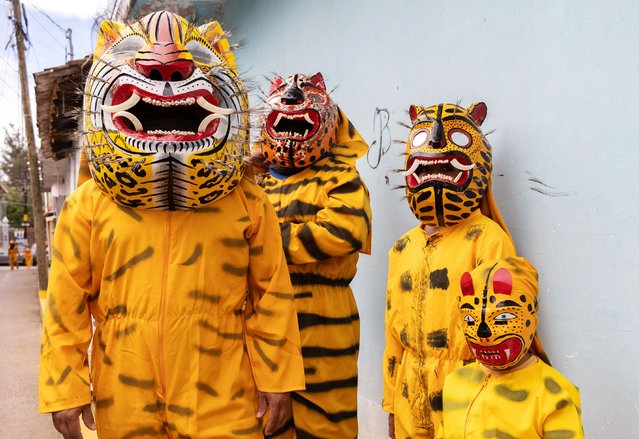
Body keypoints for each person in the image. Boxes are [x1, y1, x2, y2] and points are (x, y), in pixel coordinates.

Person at [39, 12, 304, 439]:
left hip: (224, 391)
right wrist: (63, 386)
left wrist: (278, 378)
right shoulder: (87, 204)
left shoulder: (246, 199)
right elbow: (64, 305)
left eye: (195, 58)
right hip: (123, 389)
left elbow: (272, 295)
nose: (168, 67)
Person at [382, 102, 547, 438]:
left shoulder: (487, 239)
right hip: (406, 395)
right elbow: (391, 337)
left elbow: (503, 325)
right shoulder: (401, 247)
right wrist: (388, 403)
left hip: (467, 393)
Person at [253, 72, 372, 438]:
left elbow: (344, 231)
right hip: (266, 311)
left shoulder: (341, 176)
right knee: (267, 419)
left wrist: (266, 245)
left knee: (325, 418)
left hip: (323, 311)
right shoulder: (260, 183)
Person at [436, 257, 583, 438]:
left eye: (502, 318)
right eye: (470, 319)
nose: (483, 333)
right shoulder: (456, 381)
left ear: (531, 317)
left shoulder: (554, 396)